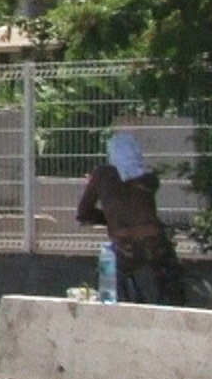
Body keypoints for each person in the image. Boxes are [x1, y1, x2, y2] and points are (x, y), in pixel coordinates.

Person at [76, 131, 186, 305]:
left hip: (126, 249)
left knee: (109, 265)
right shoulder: (149, 179)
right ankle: (178, 295)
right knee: (170, 268)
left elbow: (83, 212)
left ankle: (113, 305)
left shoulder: (101, 175)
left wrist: (108, 219)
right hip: (155, 246)